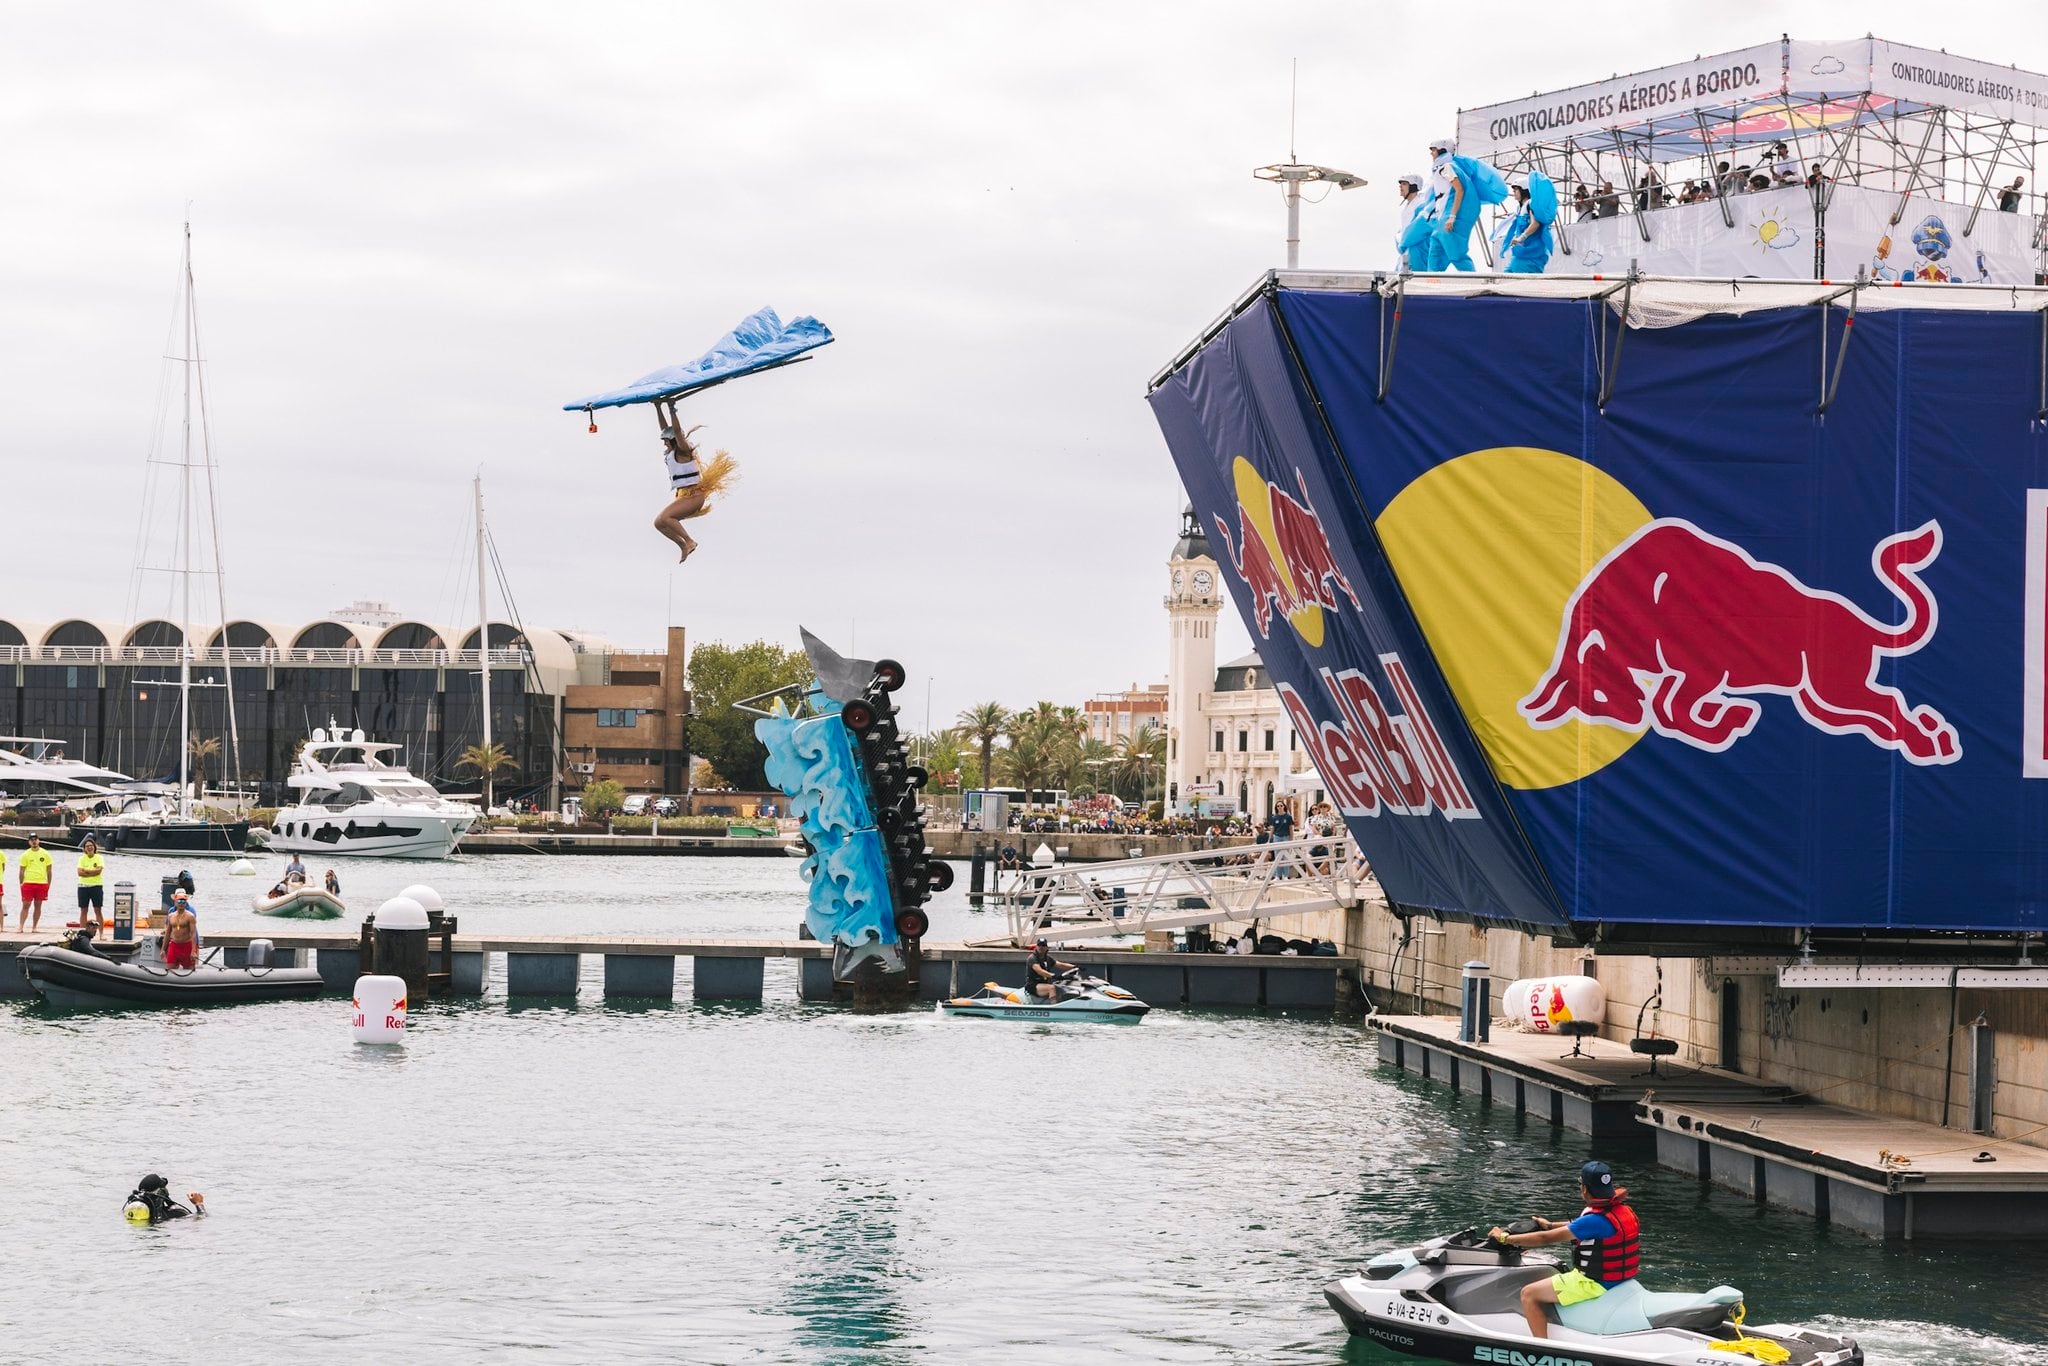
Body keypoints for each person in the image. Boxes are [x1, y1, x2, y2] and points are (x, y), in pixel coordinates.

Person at [1488, 1161, 1640, 1340]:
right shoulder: (1623, 1211)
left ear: (1584, 1188)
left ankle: (1542, 1349)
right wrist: (1550, 1225)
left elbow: (1546, 1239)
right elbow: (1581, 1227)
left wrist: (1504, 1238)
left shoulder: (1593, 1220)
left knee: (1529, 1294)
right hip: (1621, 1278)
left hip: (1595, 1283)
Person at [649, 399, 737, 563]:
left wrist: (671, 408)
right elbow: (665, 429)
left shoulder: (683, 451)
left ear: (674, 441)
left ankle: (690, 541)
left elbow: (676, 431)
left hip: (694, 496)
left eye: (666, 440)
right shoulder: (672, 452)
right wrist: (658, 407)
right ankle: (683, 545)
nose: (664, 443)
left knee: (667, 518)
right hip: (683, 496)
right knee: (658, 523)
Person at [124, 1174, 204, 1224]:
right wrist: (199, 1204)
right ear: (162, 1191)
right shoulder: (175, 1213)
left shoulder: (133, 1210)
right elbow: (201, 1218)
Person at [18, 834, 51, 932]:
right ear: (29, 842)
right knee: (26, 905)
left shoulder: (45, 854)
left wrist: (48, 883)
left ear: (39, 841)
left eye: (35, 839)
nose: (34, 841)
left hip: (41, 883)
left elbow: (49, 870)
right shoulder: (25, 854)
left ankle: (34, 927)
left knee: (38, 905)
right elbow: (21, 870)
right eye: (32, 840)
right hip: (28, 882)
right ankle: (21, 926)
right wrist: (21, 883)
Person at [75, 837, 105, 934]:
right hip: (83, 887)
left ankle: (101, 933)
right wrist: (92, 871)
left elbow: (98, 871)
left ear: (94, 847)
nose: (89, 848)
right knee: (84, 910)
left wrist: (87, 871)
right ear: (84, 848)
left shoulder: (99, 858)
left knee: (98, 910)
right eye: (87, 846)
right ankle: (83, 933)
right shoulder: (81, 859)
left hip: (96, 886)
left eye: (91, 846)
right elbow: (80, 873)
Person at [164, 890, 200, 971]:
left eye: (183, 901)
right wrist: (163, 949)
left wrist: (194, 950)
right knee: (170, 969)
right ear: (175, 901)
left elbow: (193, 933)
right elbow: (168, 931)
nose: (181, 903)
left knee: (189, 969)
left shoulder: (191, 913)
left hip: (187, 943)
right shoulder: (171, 913)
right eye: (179, 900)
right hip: (174, 944)